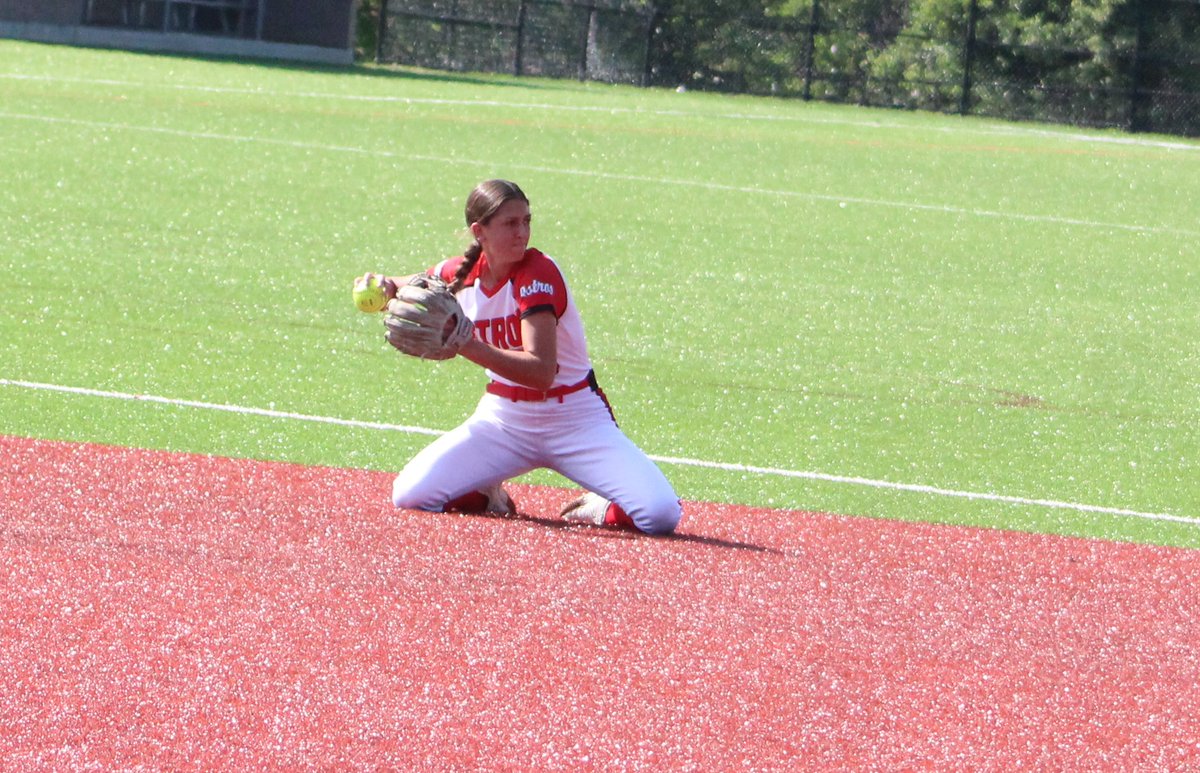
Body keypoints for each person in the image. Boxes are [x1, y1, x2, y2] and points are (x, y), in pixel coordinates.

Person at [360, 179, 680, 535]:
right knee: (411, 494)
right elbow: (411, 283)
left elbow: (541, 372)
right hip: (504, 422)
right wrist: (386, 286)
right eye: (510, 223)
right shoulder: (460, 275)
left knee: (661, 514)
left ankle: (603, 504)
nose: (522, 232)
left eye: (526, 220)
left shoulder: (538, 272)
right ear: (479, 231)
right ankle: (486, 493)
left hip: (574, 419)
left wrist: (465, 343)